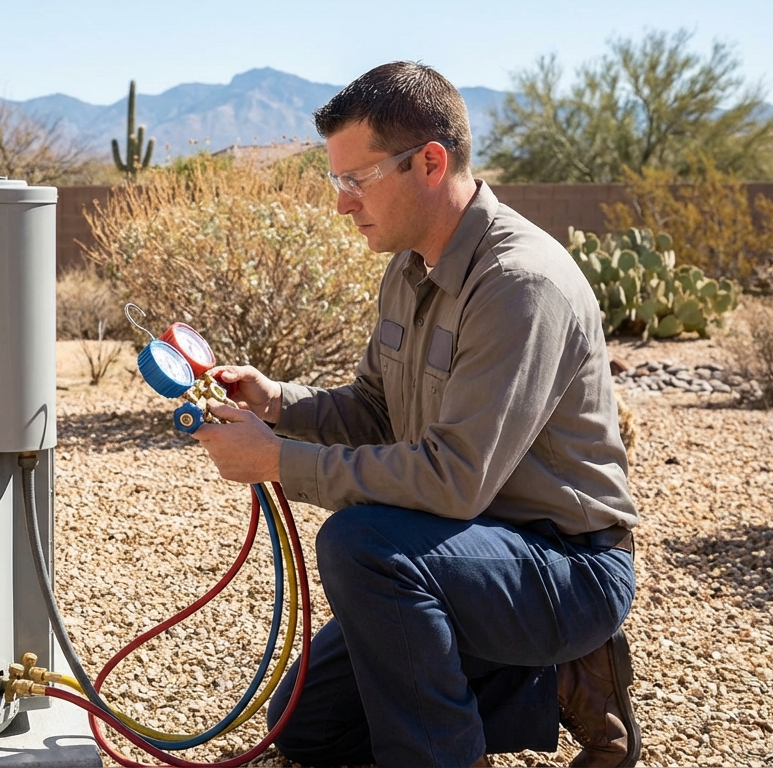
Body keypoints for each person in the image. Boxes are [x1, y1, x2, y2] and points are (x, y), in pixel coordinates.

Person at [191, 61, 640, 767]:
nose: (343, 203)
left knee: (361, 544)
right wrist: (278, 401)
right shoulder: (409, 269)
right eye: (337, 181)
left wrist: (278, 461)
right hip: (467, 551)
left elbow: (454, 479)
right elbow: (375, 407)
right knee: (307, 726)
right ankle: (554, 683)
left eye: (356, 180)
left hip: (567, 568)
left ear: (430, 162)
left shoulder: (519, 286)